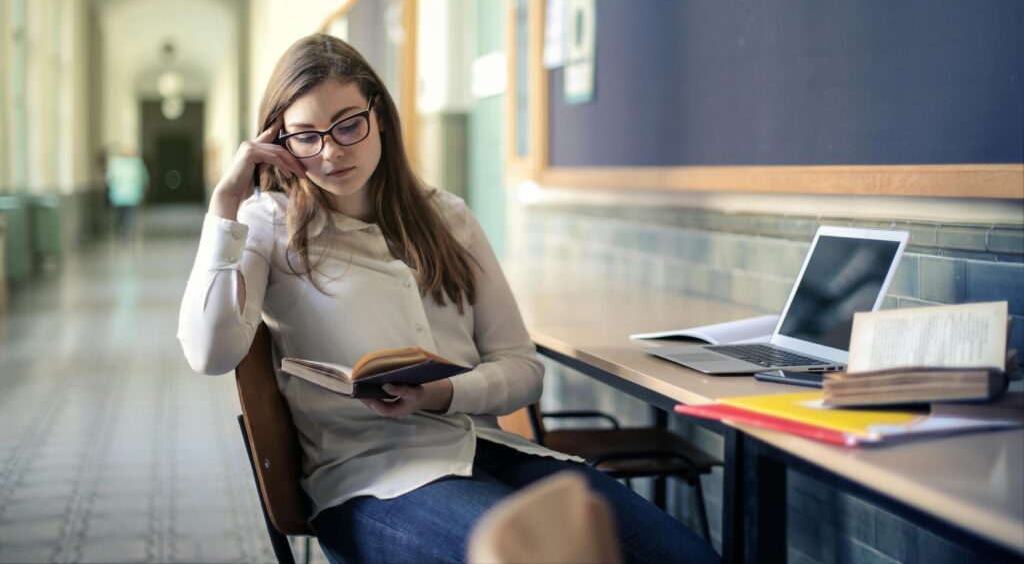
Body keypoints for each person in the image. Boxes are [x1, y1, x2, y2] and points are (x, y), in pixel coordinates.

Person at [177, 34, 719, 564]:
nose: (332, 151)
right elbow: (210, 354)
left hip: (487, 451)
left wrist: (439, 394)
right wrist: (225, 205)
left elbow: (523, 372)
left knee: (685, 555)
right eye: (306, 137)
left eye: (348, 125)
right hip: (371, 481)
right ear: (280, 143)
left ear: (380, 114)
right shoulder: (268, 224)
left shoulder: (448, 218)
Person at [105, 146, 149, 243]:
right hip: (130, 196)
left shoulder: (117, 163)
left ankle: (123, 232)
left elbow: (108, 179)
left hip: (119, 196)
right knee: (128, 215)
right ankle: (126, 232)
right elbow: (145, 178)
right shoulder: (136, 163)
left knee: (123, 215)